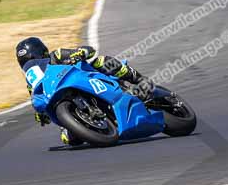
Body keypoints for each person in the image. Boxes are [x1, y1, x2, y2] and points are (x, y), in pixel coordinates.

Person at [15, 36, 156, 145]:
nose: (29, 64)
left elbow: (88, 50)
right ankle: (98, 125)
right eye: (25, 62)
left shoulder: (56, 55)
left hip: (86, 78)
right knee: (68, 139)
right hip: (60, 97)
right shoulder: (32, 85)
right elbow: (38, 101)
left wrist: (79, 52)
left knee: (102, 61)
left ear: (40, 53)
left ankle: (138, 79)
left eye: (31, 59)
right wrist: (41, 114)